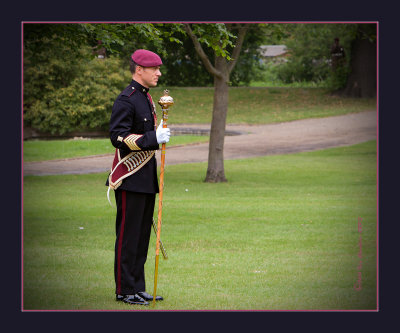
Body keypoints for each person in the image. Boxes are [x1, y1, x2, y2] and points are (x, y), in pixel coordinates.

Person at [106, 49, 171, 306]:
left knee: (142, 236)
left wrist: (158, 133)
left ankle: (138, 287)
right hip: (130, 178)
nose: (158, 73)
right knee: (128, 237)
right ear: (138, 70)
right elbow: (118, 137)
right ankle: (124, 290)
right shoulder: (127, 99)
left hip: (146, 179)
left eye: (158, 68)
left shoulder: (146, 98)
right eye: (154, 68)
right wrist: (153, 138)